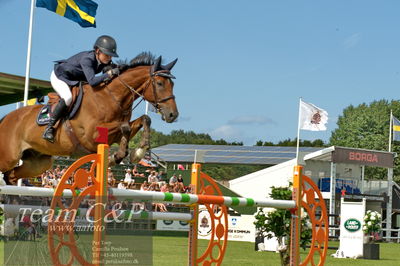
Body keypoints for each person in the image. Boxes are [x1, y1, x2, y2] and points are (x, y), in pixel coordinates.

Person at [42, 35, 120, 143]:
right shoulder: (87, 59)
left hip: (75, 80)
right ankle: (49, 128)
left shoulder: (104, 61)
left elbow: (111, 70)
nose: (109, 58)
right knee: (68, 98)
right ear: (97, 51)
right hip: (60, 77)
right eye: (107, 55)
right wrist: (109, 74)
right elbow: (92, 81)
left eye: (111, 56)